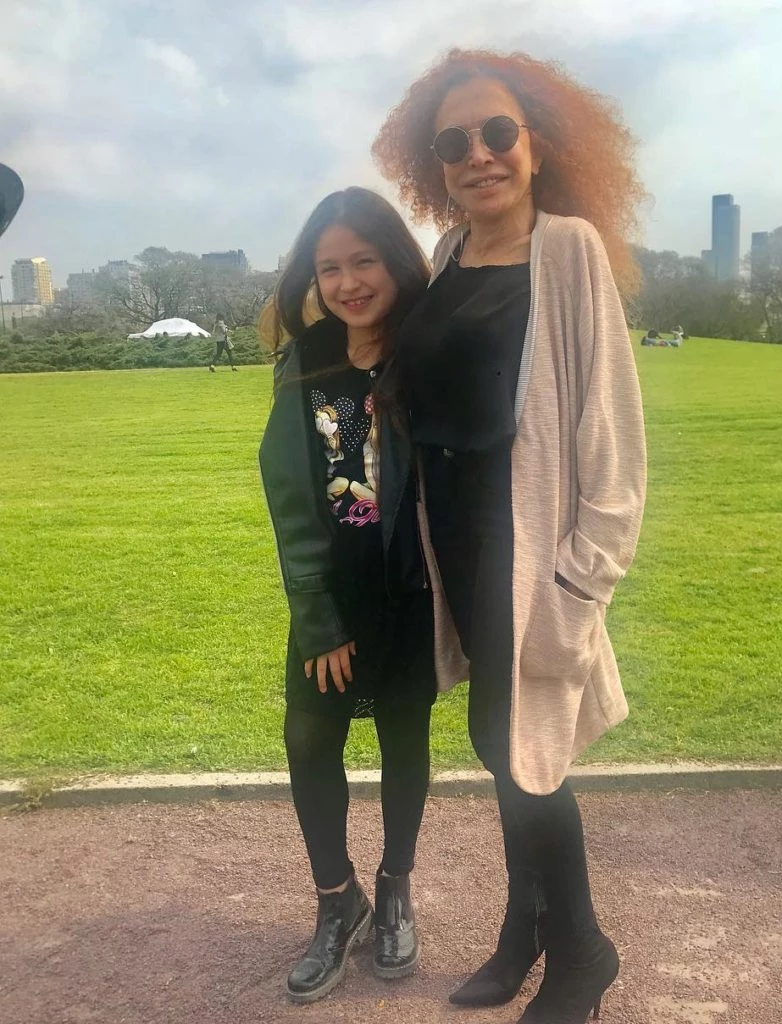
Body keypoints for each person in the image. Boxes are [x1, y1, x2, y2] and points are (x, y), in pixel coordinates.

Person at [374, 50, 647, 1023]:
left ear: (538, 145)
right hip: (458, 545)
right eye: (453, 143)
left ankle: (582, 953)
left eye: (498, 133)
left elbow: (613, 444)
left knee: (525, 753)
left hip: (527, 551)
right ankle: (521, 931)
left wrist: (582, 586)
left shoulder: (567, 251)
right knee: (501, 747)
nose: (477, 155)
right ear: (433, 164)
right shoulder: (449, 254)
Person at [258, 187, 435, 1004]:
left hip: (409, 588)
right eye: (329, 268)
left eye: (363, 261)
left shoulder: (427, 351)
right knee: (307, 738)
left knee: (404, 738)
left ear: (395, 261)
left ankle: (394, 886)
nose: (348, 282)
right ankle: (339, 901)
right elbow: (292, 498)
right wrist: (318, 619)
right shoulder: (307, 361)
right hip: (330, 588)